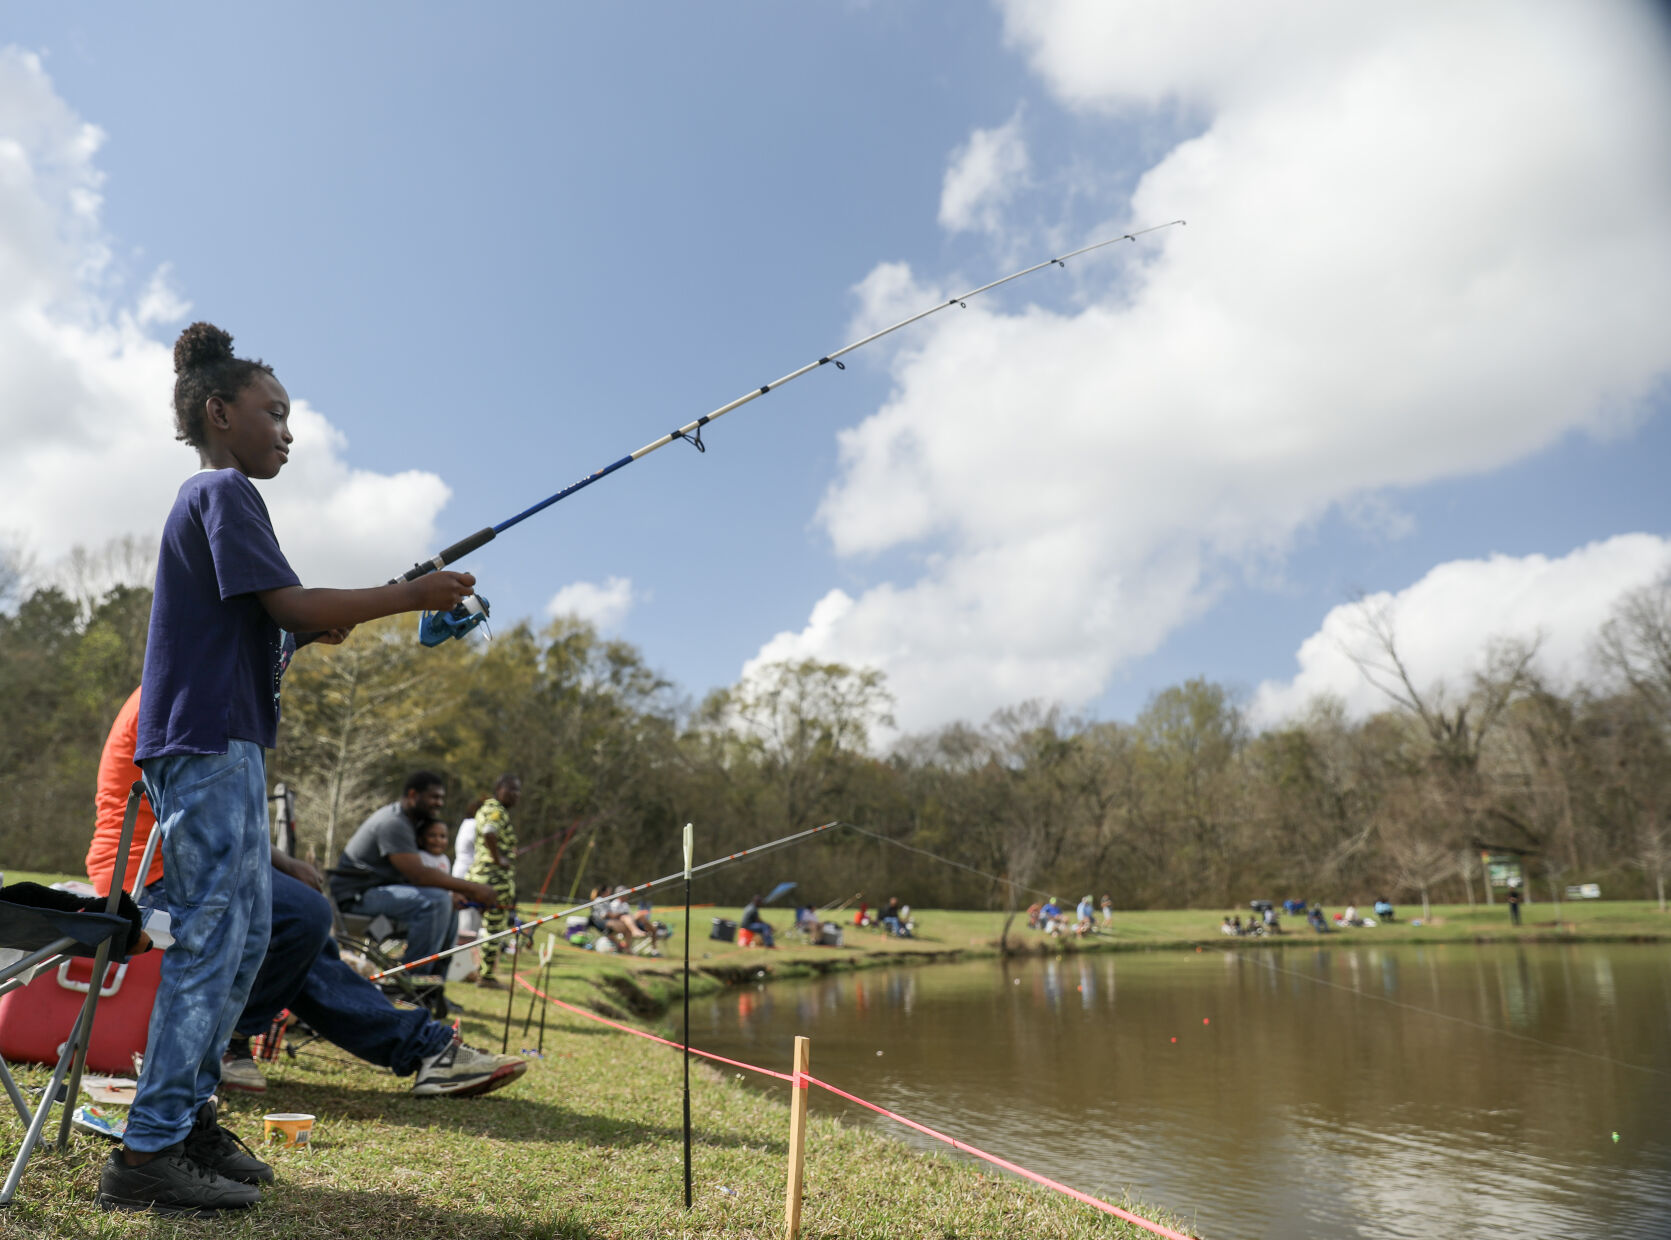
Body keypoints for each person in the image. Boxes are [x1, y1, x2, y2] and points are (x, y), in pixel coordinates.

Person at [103, 322, 480, 1217]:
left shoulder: (221, 501)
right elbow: (286, 599)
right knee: (208, 942)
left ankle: (187, 1120)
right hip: (204, 742)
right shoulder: (223, 490)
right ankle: (147, 1151)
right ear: (218, 412)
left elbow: (274, 618)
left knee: (236, 943)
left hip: (223, 740)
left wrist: (308, 628)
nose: (287, 431)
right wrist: (409, 596)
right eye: (273, 413)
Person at [87, 690, 526, 1102]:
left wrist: (283, 862)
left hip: (187, 865)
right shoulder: (183, 691)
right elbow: (206, 820)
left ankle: (427, 1051)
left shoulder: (205, 686)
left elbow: (227, 815)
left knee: (306, 943)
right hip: (148, 876)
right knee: (302, 916)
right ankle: (220, 1043)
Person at [331, 773, 499, 981]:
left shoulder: (408, 823)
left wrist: (456, 894)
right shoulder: (393, 822)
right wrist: (473, 888)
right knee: (435, 902)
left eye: (441, 798)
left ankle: (433, 989)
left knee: (449, 902)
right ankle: (413, 984)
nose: (439, 803)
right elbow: (418, 875)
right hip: (357, 898)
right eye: (434, 797)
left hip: (381, 892)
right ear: (412, 795)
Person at [466, 775, 523, 987]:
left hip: (482, 874)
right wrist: (499, 859)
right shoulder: (495, 809)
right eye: (511, 789)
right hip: (494, 878)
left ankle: (478, 970)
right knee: (494, 927)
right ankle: (486, 976)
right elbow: (490, 832)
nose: (516, 795)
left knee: (479, 926)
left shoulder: (490, 809)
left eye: (518, 791)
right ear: (498, 788)